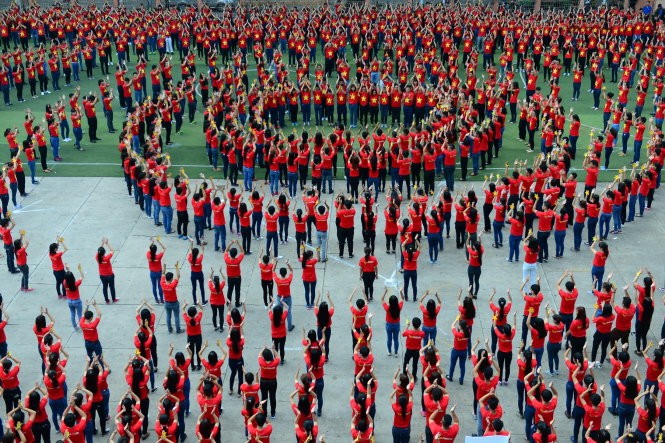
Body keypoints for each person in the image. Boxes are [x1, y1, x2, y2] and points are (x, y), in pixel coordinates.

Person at [257, 347, 280, 420]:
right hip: (272, 381)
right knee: (272, 397)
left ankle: (264, 413)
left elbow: (259, 355)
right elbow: (277, 356)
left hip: (263, 381)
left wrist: (263, 348)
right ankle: (273, 413)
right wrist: (273, 349)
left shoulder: (262, 363)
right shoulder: (274, 363)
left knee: (264, 397)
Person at [160, 262, 183, 334]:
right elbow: (178, 276)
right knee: (176, 317)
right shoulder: (172, 285)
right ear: (171, 279)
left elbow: (163, 273)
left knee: (168, 316)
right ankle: (178, 329)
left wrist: (164, 265)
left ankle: (169, 329)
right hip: (174, 303)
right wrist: (176, 267)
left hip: (167, 303)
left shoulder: (162, 283)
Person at [382, 290, 404, 357]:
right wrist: (400, 292)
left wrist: (385, 292)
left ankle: (389, 351)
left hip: (389, 325)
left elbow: (382, 299)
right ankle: (396, 352)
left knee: (389, 338)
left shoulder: (387, 308)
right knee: (396, 339)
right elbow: (403, 299)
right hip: (396, 325)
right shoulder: (399, 307)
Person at [182, 302, 204, 370]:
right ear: (195, 313)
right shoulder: (198, 319)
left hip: (190, 337)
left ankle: (192, 366)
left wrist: (185, 304)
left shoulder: (187, 319)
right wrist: (198, 303)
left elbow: (183, 309)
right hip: (198, 336)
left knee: (191, 352)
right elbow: (201, 308)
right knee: (198, 351)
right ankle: (198, 365)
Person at [95, 237, 117, 304]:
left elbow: (99, 251)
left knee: (105, 287)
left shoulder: (97, 257)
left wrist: (102, 244)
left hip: (102, 275)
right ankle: (113, 299)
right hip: (110, 275)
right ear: (104, 252)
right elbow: (112, 251)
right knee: (112, 287)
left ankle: (106, 300)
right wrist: (107, 244)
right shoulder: (106, 258)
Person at [224, 240, 245, 307]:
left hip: (230, 278)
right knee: (237, 290)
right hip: (237, 278)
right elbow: (242, 252)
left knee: (230, 290)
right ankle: (237, 303)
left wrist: (230, 243)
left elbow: (226, 251)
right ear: (236, 254)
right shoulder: (238, 260)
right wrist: (238, 243)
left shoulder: (227, 260)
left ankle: (228, 302)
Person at [314, 291, 335, 359]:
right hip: (327, 329)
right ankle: (326, 357)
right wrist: (329, 297)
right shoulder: (329, 314)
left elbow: (315, 305)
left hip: (320, 329)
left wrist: (318, 296)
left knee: (320, 343)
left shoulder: (317, 313)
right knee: (327, 343)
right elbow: (332, 306)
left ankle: (320, 356)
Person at [64, 264, 85, 330]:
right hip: (77, 301)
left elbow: (67, 277)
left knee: (72, 314)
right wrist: (80, 270)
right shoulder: (76, 284)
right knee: (79, 314)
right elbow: (82, 277)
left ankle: (75, 326)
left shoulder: (64, 282)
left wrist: (67, 270)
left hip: (69, 301)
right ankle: (82, 326)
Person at [187, 240, 206, 305]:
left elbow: (190, 250)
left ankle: (195, 302)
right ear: (197, 254)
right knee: (201, 287)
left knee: (194, 288)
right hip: (200, 274)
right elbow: (202, 251)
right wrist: (202, 244)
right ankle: (203, 301)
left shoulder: (190, 259)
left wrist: (191, 243)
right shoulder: (199, 260)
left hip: (193, 274)